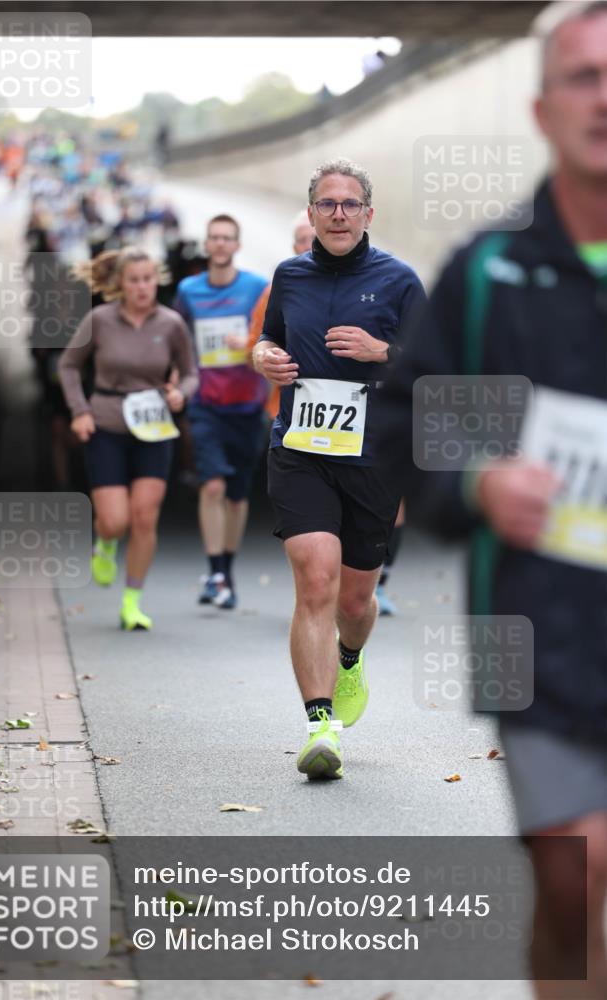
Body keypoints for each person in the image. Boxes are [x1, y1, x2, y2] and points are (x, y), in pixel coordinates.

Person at [382, 3, 607, 994]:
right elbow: (411, 436)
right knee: (575, 881)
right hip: (541, 640)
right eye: (584, 78)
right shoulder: (489, 276)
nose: (605, 100)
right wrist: (477, 478)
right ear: (542, 108)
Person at [253, 158, 425, 779]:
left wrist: (385, 352)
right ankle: (320, 725)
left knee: (355, 598)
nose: (339, 214)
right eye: (327, 204)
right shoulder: (289, 276)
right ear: (311, 213)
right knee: (317, 582)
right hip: (300, 449)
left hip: (373, 458)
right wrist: (263, 357)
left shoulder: (400, 281)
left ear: (368, 214)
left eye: (350, 204)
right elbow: (268, 339)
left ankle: (349, 657)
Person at [58, 247, 198, 630]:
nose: (142, 287)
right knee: (115, 520)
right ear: (120, 283)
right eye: (134, 280)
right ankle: (104, 543)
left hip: (154, 427)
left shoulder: (171, 324)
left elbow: (190, 373)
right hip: (106, 423)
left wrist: (180, 393)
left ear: (157, 280)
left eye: (148, 279)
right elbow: (69, 366)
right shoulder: (99, 320)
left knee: (144, 517)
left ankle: (132, 602)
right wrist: (80, 411)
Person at [175, 215, 269, 610]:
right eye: (214, 237)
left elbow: (272, 337)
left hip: (248, 403)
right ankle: (215, 571)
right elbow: (176, 339)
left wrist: (246, 344)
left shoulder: (257, 288)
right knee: (211, 485)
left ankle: (226, 570)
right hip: (205, 403)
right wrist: (176, 381)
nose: (220, 244)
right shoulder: (188, 290)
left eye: (227, 238)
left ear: (237, 244)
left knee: (235, 495)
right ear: (206, 244)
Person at [247, 211, 314, 422]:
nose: (309, 245)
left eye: (314, 238)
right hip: (286, 412)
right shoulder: (276, 291)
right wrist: (266, 359)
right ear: (294, 248)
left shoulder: (352, 288)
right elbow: (253, 348)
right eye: (302, 240)